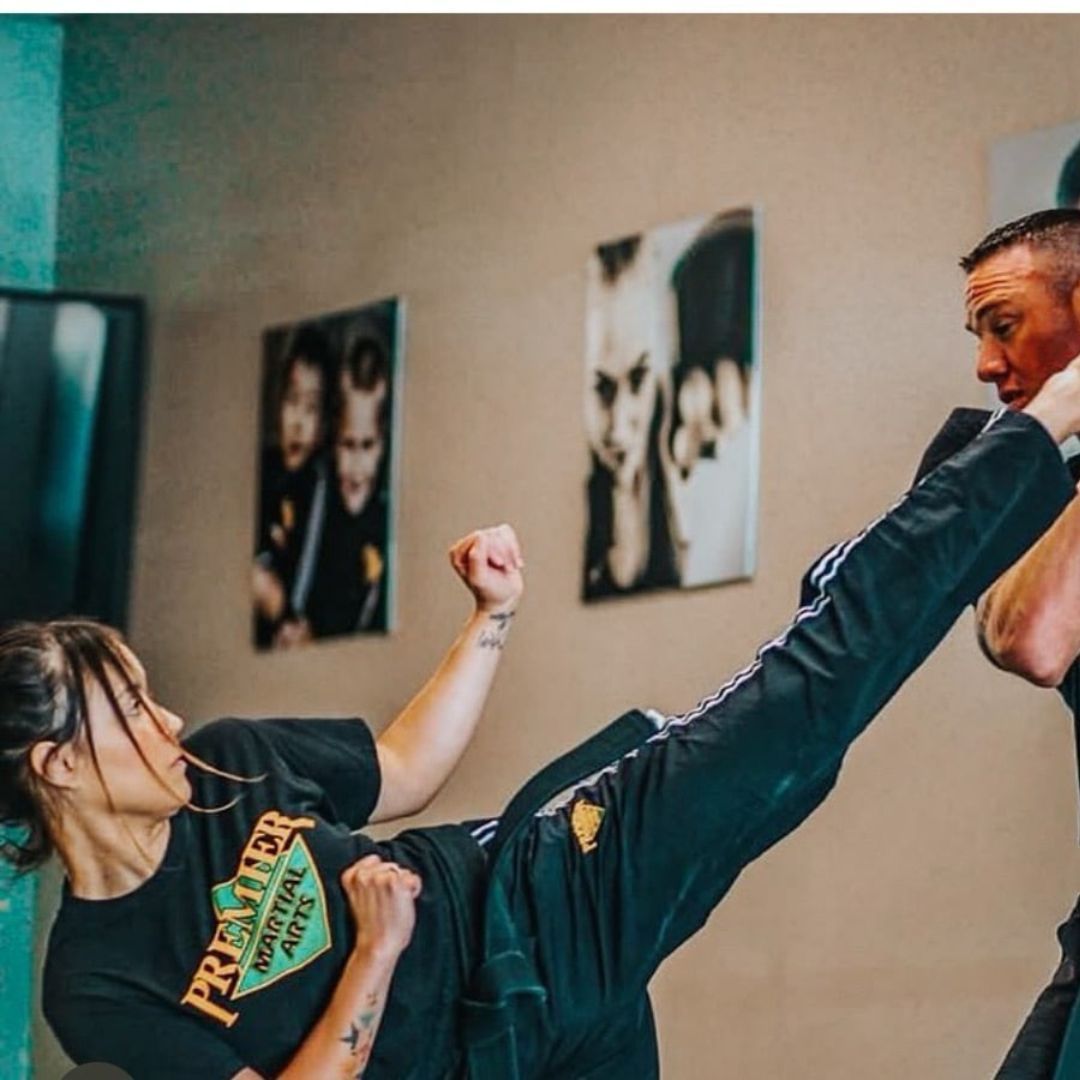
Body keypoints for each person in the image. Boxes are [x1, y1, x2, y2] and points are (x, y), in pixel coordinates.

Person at [10, 362, 1080, 1079]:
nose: (170, 719)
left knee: (805, 696)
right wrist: (374, 954)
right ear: (55, 763)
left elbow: (401, 768)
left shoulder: (228, 766)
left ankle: (1050, 420)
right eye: (134, 710)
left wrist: (493, 616)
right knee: (813, 708)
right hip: (500, 1054)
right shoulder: (94, 981)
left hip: (533, 896)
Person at [913, 208, 1080, 1079]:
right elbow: (1028, 637)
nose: (984, 363)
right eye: (979, 332)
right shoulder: (981, 460)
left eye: (1004, 326)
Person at [277, 334, 393, 645]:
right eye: (347, 445)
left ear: (384, 444)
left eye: (367, 446)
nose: (356, 467)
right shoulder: (312, 499)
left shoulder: (383, 523)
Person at [252, 324, 333, 649]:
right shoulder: (265, 472)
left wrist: (285, 612)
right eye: (292, 401)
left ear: (326, 421)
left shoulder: (319, 485)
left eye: (311, 408)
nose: (298, 421)